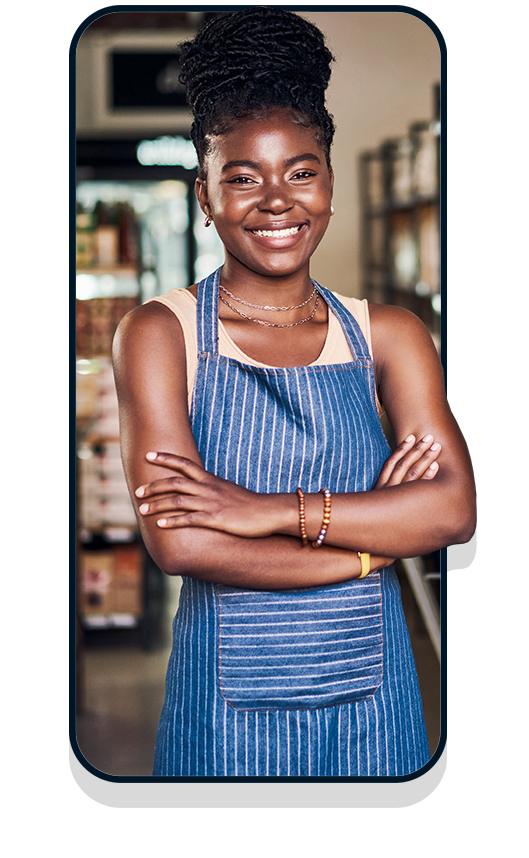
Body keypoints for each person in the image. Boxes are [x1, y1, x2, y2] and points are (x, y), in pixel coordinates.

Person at [113, 8, 475, 777]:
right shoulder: (159, 333)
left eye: (301, 172)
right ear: (204, 196)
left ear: (330, 185)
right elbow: (182, 543)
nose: (276, 200)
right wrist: (371, 548)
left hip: (375, 706)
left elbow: (450, 511)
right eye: (242, 177)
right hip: (225, 716)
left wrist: (267, 512)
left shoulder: (389, 335)